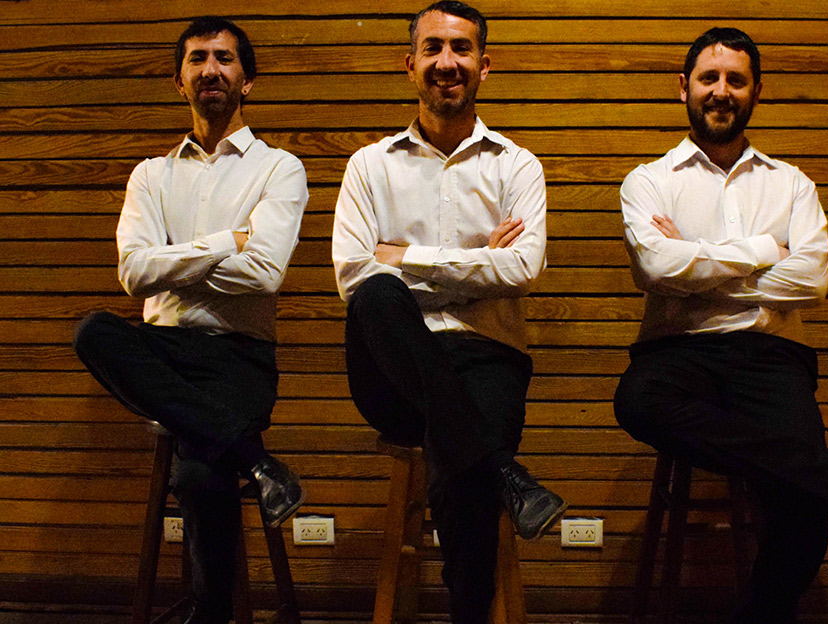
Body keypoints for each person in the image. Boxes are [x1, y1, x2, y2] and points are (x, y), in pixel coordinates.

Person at [613, 27, 828, 623]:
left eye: (736, 80)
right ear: (684, 88)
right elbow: (656, 269)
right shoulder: (649, 181)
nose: (721, 91)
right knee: (637, 402)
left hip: (772, 355)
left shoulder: (791, 184)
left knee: (804, 509)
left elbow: (810, 281)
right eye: (709, 78)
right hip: (676, 352)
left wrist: (697, 263)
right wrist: (764, 251)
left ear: (756, 91)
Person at [331, 2, 567, 621]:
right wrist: (475, 265)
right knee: (378, 297)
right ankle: (506, 472)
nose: (446, 61)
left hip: (488, 359)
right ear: (409, 64)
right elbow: (354, 275)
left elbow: (522, 270)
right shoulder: (369, 166)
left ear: (484, 66)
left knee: (461, 464)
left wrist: (405, 257)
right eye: (432, 48)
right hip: (389, 373)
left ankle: (469, 607)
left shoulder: (517, 166)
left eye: (461, 48)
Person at [72, 16, 308, 624]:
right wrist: (228, 242)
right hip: (162, 351)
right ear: (179, 81)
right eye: (197, 58)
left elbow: (264, 274)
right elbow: (134, 274)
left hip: (238, 355)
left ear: (246, 80)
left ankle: (209, 612)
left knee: (202, 478)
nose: (211, 69)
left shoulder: (279, 168)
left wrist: (173, 260)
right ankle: (256, 461)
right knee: (93, 331)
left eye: (224, 58)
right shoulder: (151, 174)